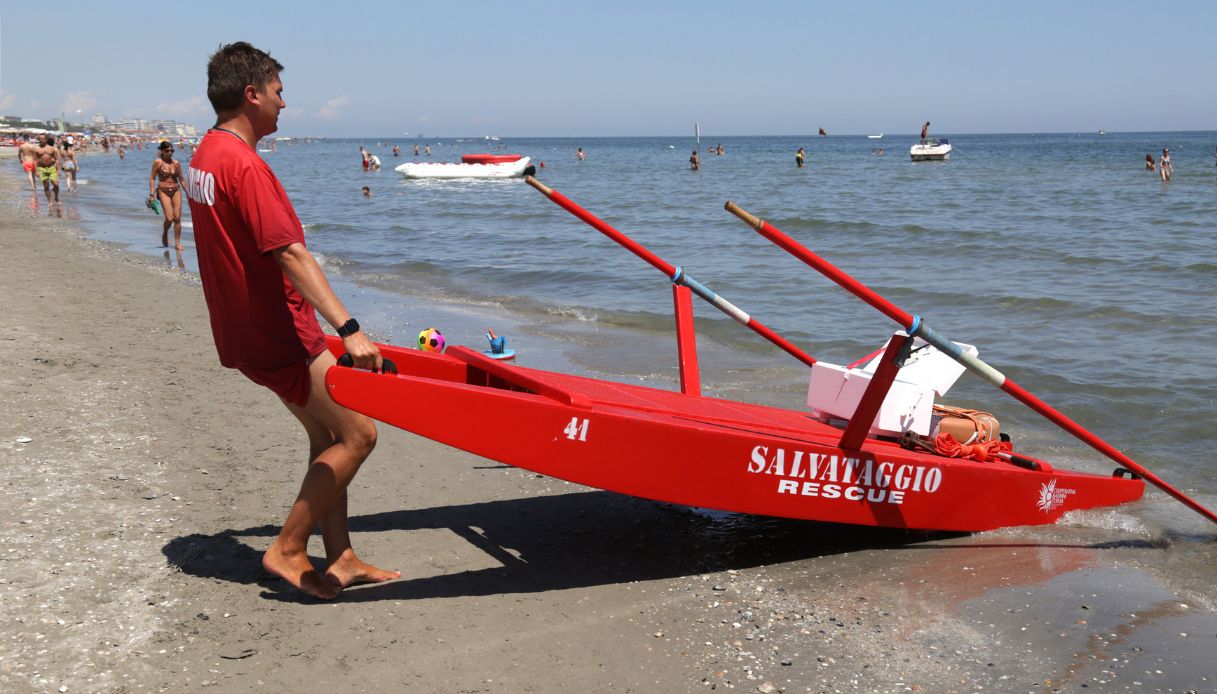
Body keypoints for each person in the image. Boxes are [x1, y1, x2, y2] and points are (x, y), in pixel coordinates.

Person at [186, 41, 397, 600]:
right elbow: (291, 253)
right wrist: (350, 330)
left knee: (326, 434)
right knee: (359, 434)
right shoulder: (246, 166)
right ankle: (287, 546)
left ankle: (342, 556)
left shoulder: (204, 154)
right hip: (278, 333)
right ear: (251, 94)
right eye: (278, 92)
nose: (285, 103)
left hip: (242, 328)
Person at [149, 140, 187, 249]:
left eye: (172, 150)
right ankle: (165, 232)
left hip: (176, 190)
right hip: (163, 191)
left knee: (177, 218)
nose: (170, 152)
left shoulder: (176, 163)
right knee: (169, 218)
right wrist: (152, 194)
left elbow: (182, 180)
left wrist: (188, 194)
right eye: (167, 150)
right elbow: (152, 178)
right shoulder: (158, 162)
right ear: (161, 151)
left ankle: (177, 243)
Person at [33, 134, 62, 205]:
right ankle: (50, 201)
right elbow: (35, 160)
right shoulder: (36, 149)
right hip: (41, 168)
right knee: (46, 186)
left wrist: (58, 169)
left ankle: (56, 197)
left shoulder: (51, 148)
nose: (40, 140)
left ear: (46, 140)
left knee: (56, 184)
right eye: (39, 139)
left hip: (51, 167)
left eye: (42, 139)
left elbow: (57, 159)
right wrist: (36, 171)